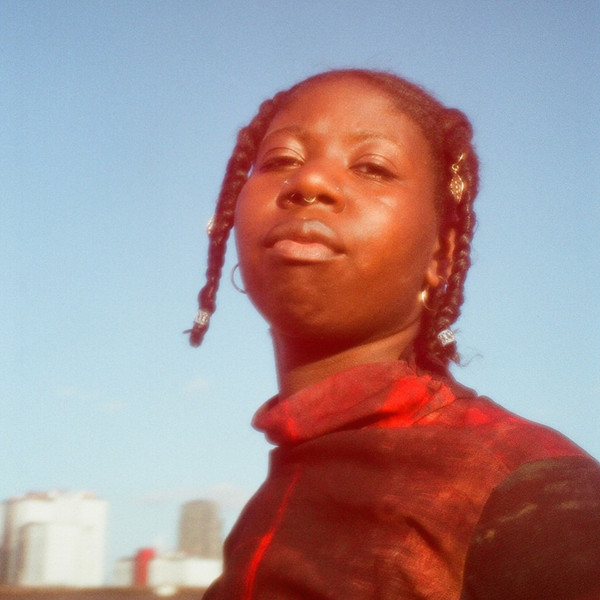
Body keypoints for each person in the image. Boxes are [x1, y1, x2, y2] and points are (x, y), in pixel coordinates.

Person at [187, 69, 600, 599]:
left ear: (440, 254)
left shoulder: (530, 491)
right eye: (281, 160)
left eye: (372, 167)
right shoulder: (270, 504)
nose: (309, 183)